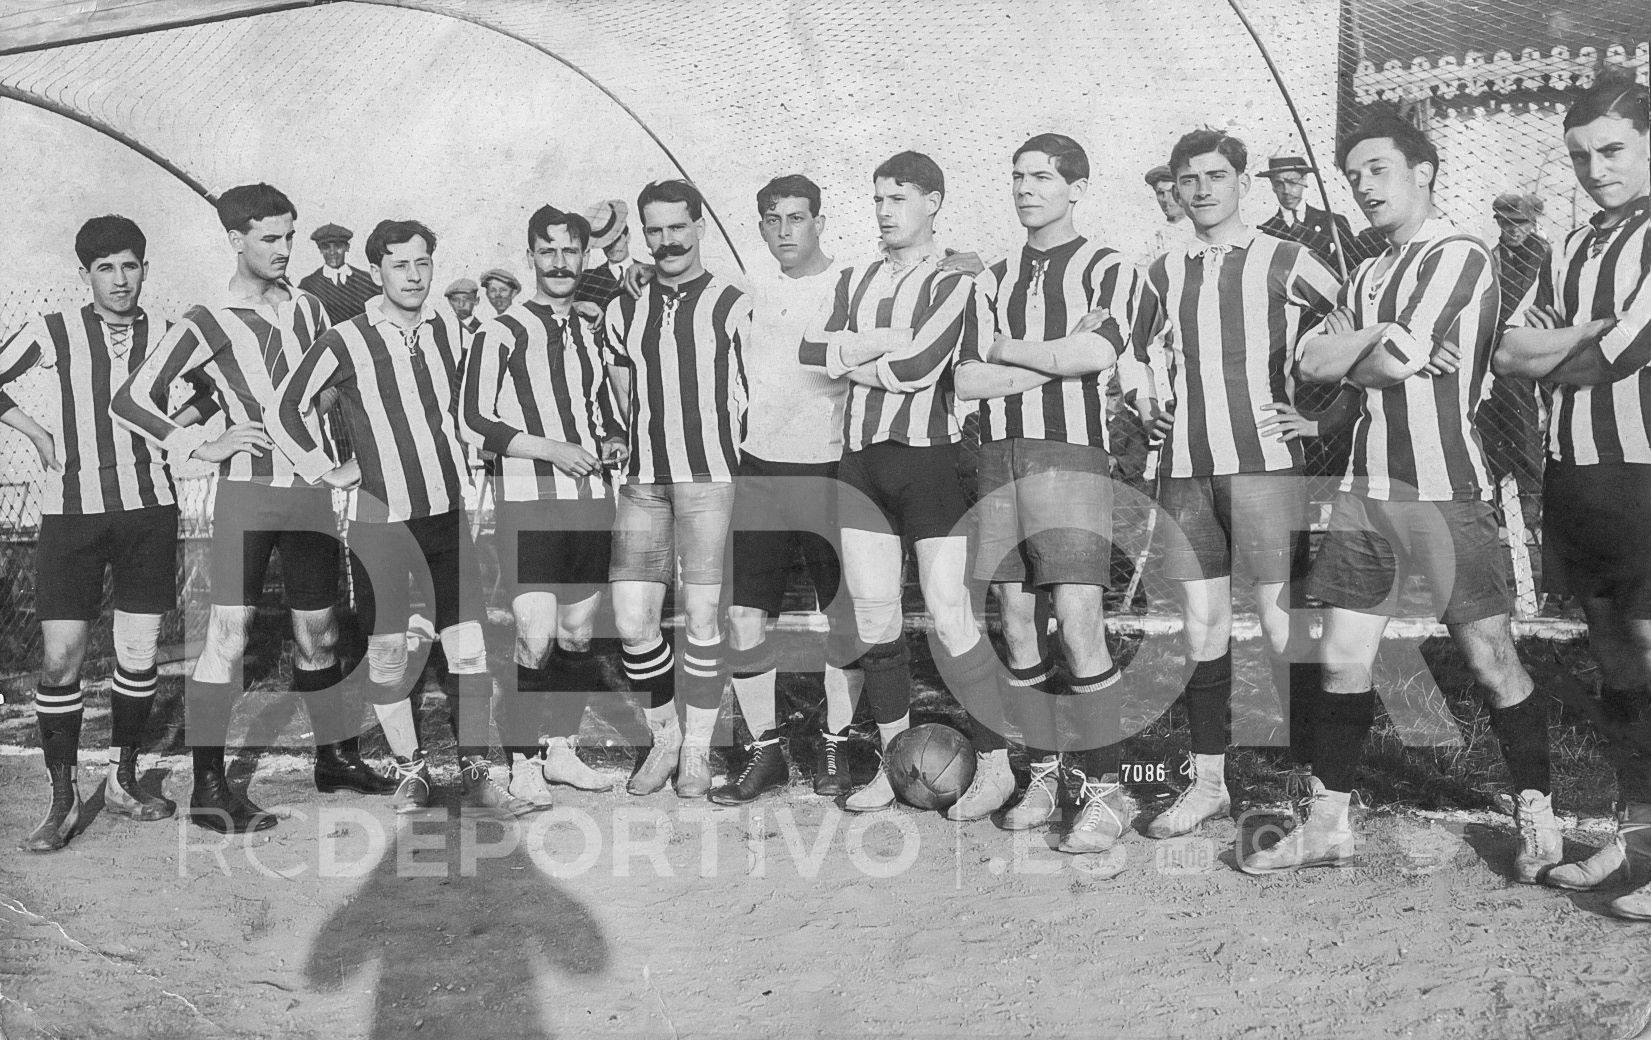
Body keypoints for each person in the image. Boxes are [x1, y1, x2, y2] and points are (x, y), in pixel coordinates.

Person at [1250, 114, 1558, 879]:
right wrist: (1373, 340)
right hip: (1362, 491)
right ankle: (1327, 824)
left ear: (1422, 173)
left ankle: (1538, 815)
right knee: (1341, 660)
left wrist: (1369, 345)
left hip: (1445, 488)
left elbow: (1392, 359)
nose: (1362, 186)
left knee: (1490, 660)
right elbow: (1310, 360)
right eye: (1353, 175)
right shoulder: (1366, 270)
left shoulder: (1459, 253)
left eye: (1377, 170)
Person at [114, 183, 390, 835]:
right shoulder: (208, 318)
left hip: (311, 493)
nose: (284, 249)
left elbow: (337, 386)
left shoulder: (311, 309)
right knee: (228, 639)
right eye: (270, 237)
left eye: (290, 236)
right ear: (236, 240)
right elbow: (132, 399)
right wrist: (201, 443)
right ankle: (210, 788)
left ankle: (334, 760)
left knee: (319, 631)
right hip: (246, 495)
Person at [1119, 130, 1342, 842]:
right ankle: (1207, 781)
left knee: (1283, 625)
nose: (1203, 189)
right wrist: (1143, 401)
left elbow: (1356, 334)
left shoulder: (1286, 258)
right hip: (1185, 470)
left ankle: (1313, 786)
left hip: (1266, 466)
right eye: (1189, 179)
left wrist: (1318, 420)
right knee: (1201, 626)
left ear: (1243, 181)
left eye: (1217, 175)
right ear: (1175, 190)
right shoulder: (1160, 270)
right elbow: (1131, 350)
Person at [270, 218, 530, 815]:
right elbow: (285, 405)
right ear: (376, 271)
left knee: (466, 649)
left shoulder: (448, 332)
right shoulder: (346, 339)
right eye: (399, 265)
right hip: (378, 522)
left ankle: (475, 770)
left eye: (422, 264)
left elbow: (471, 411)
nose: (413, 277)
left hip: (445, 515)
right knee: (389, 653)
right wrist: (325, 469)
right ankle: (411, 770)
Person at [948, 133, 1138, 857]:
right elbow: (965, 379)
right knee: (1016, 620)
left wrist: (1009, 350)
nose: (1027, 189)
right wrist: (1050, 358)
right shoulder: (989, 278)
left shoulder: (1105, 266)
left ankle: (1106, 789)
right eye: (1018, 176)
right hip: (997, 454)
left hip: (1068, 455)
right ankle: (1044, 774)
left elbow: (1099, 353)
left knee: (1078, 617)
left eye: (1044, 178)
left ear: (1076, 188)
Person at [799, 150, 1004, 813]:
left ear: (932, 203)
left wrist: (853, 352)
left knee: (949, 617)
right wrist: (876, 341)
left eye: (898, 198)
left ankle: (996, 762)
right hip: (860, 463)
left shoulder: (954, 282)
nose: (885, 211)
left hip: (927, 463)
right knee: (874, 617)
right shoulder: (855, 278)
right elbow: (809, 351)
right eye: (878, 199)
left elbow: (918, 367)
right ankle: (894, 765)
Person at [0, 216, 212, 851]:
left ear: (145, 269)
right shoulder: (54, 329)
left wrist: (171, 430)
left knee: (138, 654)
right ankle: (62, 797)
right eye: (106, 269)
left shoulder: (171, 333)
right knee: (63, 658)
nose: (120, 280)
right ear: (86, 274)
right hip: (72, 514)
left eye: (130, 266)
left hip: (149, 510)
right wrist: (36, 432)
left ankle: (123, 779)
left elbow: (212, 391)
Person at [1494, 79, 1651, 919]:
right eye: (1580, 156)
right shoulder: (1572, 246)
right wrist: (1590, 331)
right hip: (1578, 479)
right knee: (1617, 669)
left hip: (1646, 476)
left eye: (1612, 149)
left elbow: (1617, 359)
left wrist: (1588, 340)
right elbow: (1509, 352)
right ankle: (1635, 840)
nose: (1595, 169)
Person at [690, 175, 865, 804]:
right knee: (743, 616)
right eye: (773, 220)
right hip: (760, 467)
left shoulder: (853, 284)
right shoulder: (745, 292)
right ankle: (764, 752)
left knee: (840, 611)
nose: (785, 231)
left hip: (831, 466)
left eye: (797, 218)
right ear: (760, 226)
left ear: (820, 220)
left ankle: (839, 743)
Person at [462, 205, 626, 806]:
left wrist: (610, 435)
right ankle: (523, 760)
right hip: (529, 501)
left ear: (585, 256)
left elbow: (601, 405)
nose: (561, 263)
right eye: (548, 251)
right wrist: (551, 449)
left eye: (571, 251)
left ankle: (560, 750)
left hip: (588, 502)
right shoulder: (500, 330)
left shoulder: (589, 328)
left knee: (579, 636)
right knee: (534, 635)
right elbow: (473, 420)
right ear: (530, 255)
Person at [604, 179, 750, 798]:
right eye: (654, 230)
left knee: (701, 618)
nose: (666, 241)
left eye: (677, 227)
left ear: (699, 226)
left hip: (709, 479)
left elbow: (753, 392)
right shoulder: (622, 307)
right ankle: (664, 739)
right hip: (643, 481)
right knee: (633, 620)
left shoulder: (735, 302)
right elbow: (619, 389)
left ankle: (698, 749)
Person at [1479, 193, 1552, 509]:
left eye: (1520, 222)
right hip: (1507, 353)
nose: (1512, 229)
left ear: (1533, 222)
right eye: (1505, 222)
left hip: (1550, 346)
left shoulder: (1550, 255)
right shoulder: (1490, 258)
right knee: (1515, 424)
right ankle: (1529, 499)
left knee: (1560, 419)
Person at [1256, 156, 1360, 270]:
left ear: (1304, 180)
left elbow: (1353, 267)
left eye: (1292, 182)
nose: (1286, 191)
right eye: (1279, 184)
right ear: (1272, 186)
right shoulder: (1265, 232)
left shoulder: (1333, 222)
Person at [298, 223, 379, 325]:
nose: (332, 252)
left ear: (347, 247)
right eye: (326, 247)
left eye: (338, 246)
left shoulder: (367, 280)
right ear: (320, 250)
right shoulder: (309, 285)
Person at [576, 199, 635, 308]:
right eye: (606, 243)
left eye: (616, 240)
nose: (611, 247)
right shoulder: (587, 280)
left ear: (628, 237)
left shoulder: (650, 271)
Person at [1140, 164, 1193, 266]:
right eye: (1160, 193)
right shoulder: (1153, 235)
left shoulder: (1200, 232)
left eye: (1171, 191)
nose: (1165, 199)